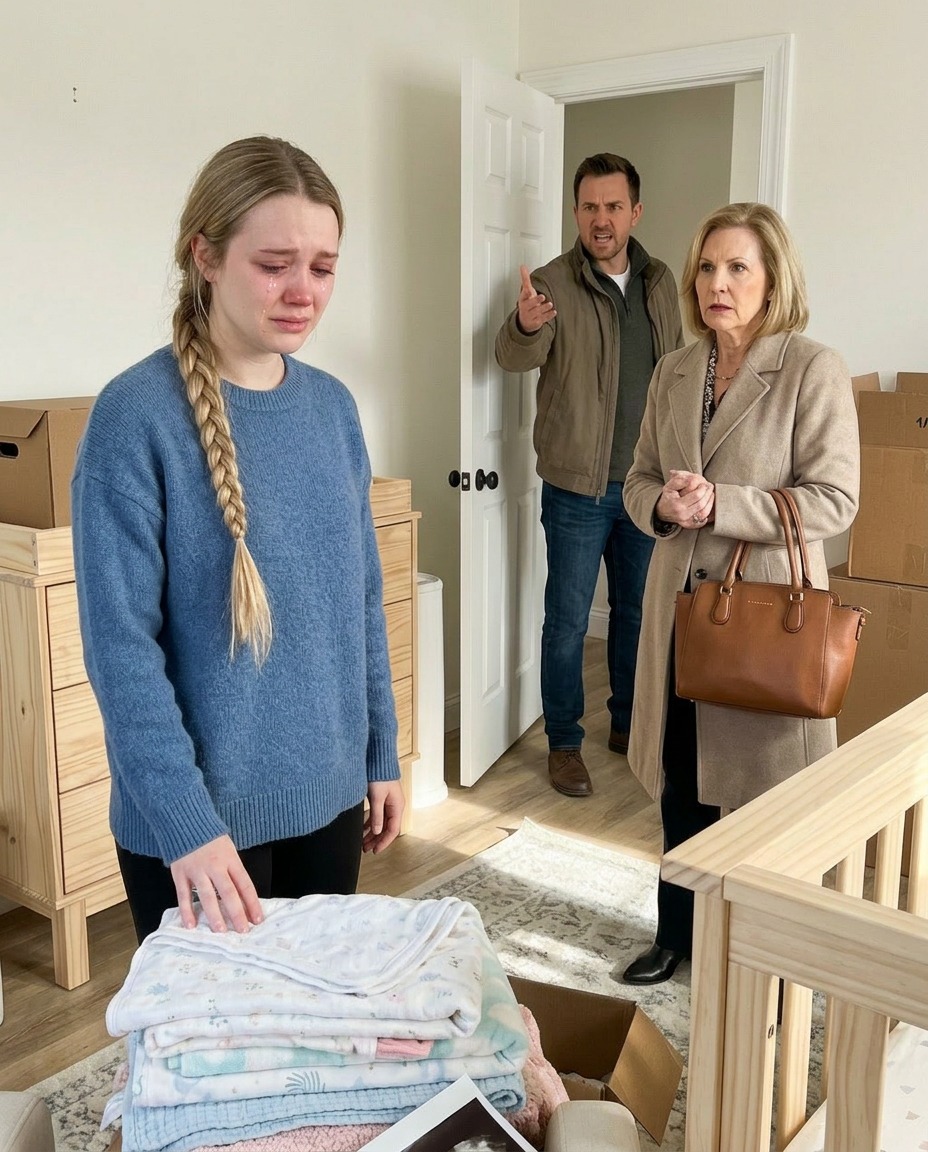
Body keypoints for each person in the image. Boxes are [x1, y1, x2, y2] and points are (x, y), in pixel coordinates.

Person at [71, 136, 404, 944]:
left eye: (322, 267)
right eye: (274, 264)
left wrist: (381, 751)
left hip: (331, 804)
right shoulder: (134, 417)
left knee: (315, 1015)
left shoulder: (334, 409)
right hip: (197, 834)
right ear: (206, 256)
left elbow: (360, 601)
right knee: (216, 1029)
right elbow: (121, 652)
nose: (302, 292)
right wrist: (186, 823)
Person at [620, 202, 860, 984]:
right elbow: (638, 479)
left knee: (765, 797)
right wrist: (663, 505)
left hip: (763, 619)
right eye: (706, 267)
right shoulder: (673, 370)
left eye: (737, 268)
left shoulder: (811, 368)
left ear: (772, 280)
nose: (716, 283)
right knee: (682, 779)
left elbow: (834, 500)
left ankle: (768, 954)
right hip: (679, 612)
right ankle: (678, 933)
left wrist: (723, 504)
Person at [495, 153, 683, 799]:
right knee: (568, 622)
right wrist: (524, 324)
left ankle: (628, 724)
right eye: (590, 207)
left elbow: (676, 370)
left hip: (647, 487)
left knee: (636, 614)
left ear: (635, 211)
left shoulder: (660, 281)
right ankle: (564, 743)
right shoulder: (552, 282)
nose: (601, 220)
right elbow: (512, 357)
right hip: (576, 486)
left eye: (613, 206)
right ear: (576, 212)